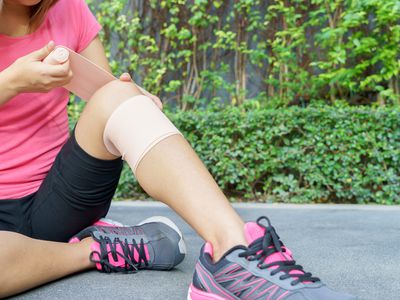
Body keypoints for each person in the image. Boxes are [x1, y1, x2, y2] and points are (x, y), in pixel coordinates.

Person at [0, 0, 357, 299]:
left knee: (117, 96)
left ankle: (232, 251)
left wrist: (131, 100)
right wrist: (13, 81)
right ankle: (97, 250)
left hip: (59, 199)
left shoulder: (69, 9)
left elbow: (102, 94)